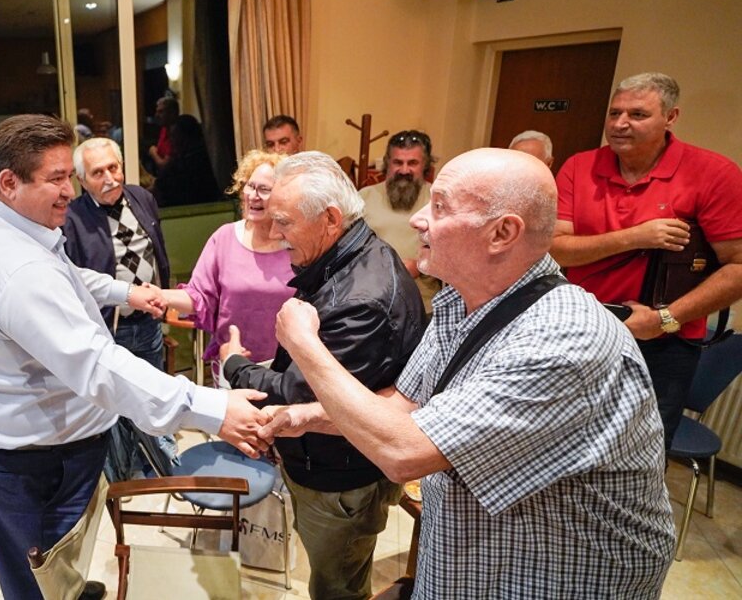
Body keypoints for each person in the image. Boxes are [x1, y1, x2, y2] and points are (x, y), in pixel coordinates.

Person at [267, 148, 676, 597]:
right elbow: (405, 408)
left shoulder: (564, 339)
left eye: (440, 207)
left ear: (502, 233)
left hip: (549, 582)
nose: (418, 219)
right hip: (474, 568)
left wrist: (304, 343)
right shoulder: (460, 302)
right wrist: (305, 416)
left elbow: (405, 452)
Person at [0, 114, 271, 600]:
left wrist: (125, 292)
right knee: (34, 577)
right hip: (25, 464)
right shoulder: (14, 269)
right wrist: (213, 408)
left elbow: (64, 275)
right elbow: (97, 364)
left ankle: (68, 587)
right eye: (57, 178)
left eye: (69, 176)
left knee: (58, 563)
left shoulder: (0, 220)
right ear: (9, 182)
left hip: (21, 441)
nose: (69, 192)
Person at [221, 152, 425, 599]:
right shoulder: (352, 256)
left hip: (340, 478)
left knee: (337, 587)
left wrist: (234, 365)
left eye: (284, 222)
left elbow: (299, 393)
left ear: (331, 219)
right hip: (328, 462)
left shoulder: (361, 300)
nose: (275, 233)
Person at [551, 72, 742, 447]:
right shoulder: (580, 166)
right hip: (580, 329)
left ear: (671, 117)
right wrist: (636, 237)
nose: (620, 124)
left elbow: (737, 266)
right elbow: (556, 248)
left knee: (637, 452)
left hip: (663, 341)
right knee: (559, 441)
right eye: (614, 113)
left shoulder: (713, 173)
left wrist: (663, 320)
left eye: (637, 114)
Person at [62, 137, 179, 480]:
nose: (109, 178)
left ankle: (156, 460)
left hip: (149, 322)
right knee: (114, 400)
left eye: (113, 167)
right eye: (97, 172)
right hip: (108, 328)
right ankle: (123, 471)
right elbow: (73, 279)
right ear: (82, 180)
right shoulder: (71, 218)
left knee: (153, 390)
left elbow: (158, 251)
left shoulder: (142, 197)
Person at [161, 149, 295, 386]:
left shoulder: (296, 243)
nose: (253, 196)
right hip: (231, 365)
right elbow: (199, 297)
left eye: (264, 189)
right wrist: (159, 296)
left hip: (286, 369)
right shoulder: (224, 237)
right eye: (250, 186)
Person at [358, 130, 443, 312]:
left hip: (423, 307)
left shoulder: (439, 201)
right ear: (387, 163)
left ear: (425, 165)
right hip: (370, 304)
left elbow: (455, 254)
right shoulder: (364, 197)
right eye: (397, 162)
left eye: (412, 163)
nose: (404, 170)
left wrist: (420, 267)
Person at [152, 114, 220, 207]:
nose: (171, 141)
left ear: (186, 137)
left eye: (174, 136)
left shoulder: (188, 165)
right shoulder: (206, 159)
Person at [147, 95, 179, 170]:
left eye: (161, 112)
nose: (156, 115)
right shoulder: (164, 129)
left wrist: (153, 152)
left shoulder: (177, 133)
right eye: (157, 111)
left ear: (172, 113)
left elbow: (165, 165)